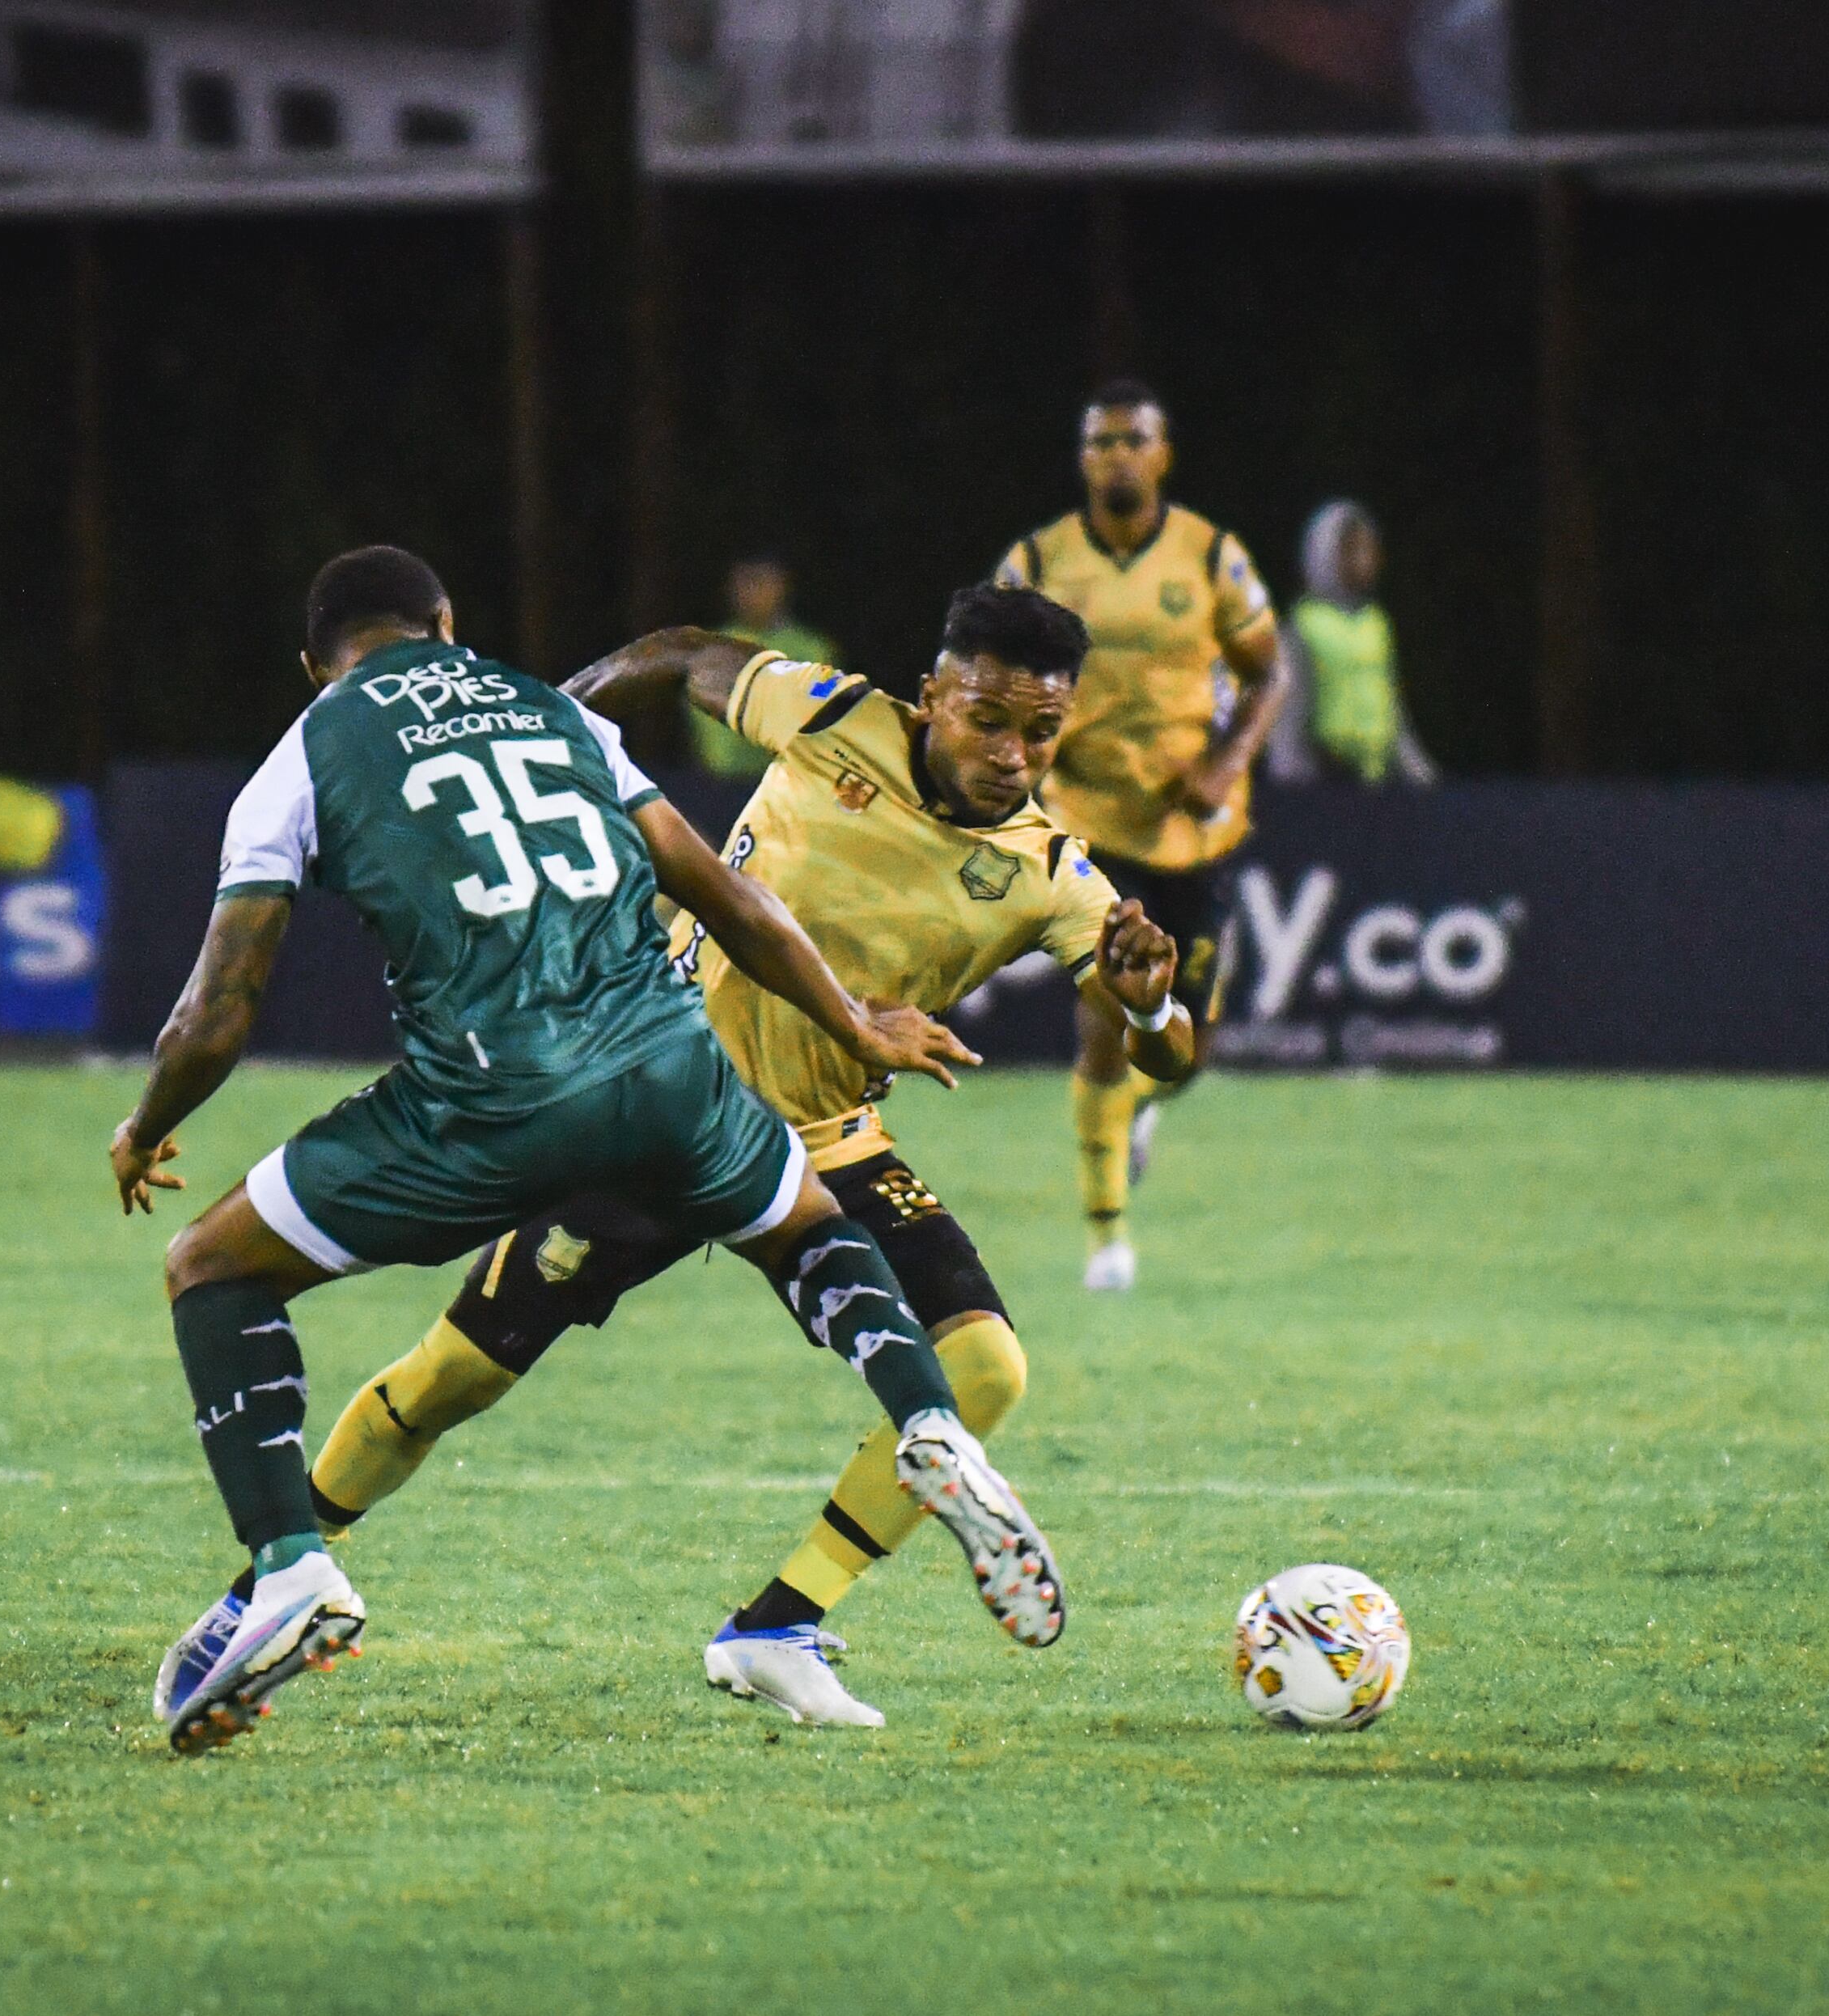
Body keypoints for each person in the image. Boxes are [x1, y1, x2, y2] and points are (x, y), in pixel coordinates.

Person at [116, 544, 1060, 1756]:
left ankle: (289, 1566)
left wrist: (148, 1129)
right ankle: (925, 1417)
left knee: (213, 1264)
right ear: (449, 625)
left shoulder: (306, 747)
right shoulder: (550, 711)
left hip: (494, 1100)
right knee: (813, 1228)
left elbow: (219, 1010)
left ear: (315, 667)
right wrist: (856, 1018)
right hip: (676, 1069)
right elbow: (724, 892)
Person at [277, 583, 1195, 1729]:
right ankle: (281, 1573)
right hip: (655, 1103)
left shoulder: (1051, 870)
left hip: (824, 1140)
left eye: (1041, 732)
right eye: (988, 721)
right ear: (930, 699)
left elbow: (1166, 1052)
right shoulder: (826, 714)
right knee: (451, 1378)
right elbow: (678, 652)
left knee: (986, 1369)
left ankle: (778, 1626)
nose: (1013, 755)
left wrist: (1152, 1008)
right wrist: (549, 732)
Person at [997, 379, 1281, 1292]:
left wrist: (1228, 764)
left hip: (1195, 834)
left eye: (1134, 439)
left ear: (1162, 454)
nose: (1116, 454)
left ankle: (1141, 1110)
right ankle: (1107, 1236)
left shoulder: (1209, 555)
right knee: (1103, 1026)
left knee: (1189, 1047)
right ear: (1082, 457)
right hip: (1089, 826)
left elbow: (1269, 672)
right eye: (1099, 441)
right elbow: (979, 677)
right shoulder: (1038, 561)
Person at [1276, 498, 1436, 788]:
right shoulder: (1305, 624)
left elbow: (1392, 708)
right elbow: (1289, 711)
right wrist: (1289, 777)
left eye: (1370, 550)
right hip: (1324, 777)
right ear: (1328, 554)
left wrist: (1419, 775)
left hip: (1376, 779)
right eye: (1355, 550)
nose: (1367, 560)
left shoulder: (1376, 623)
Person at [691, 556, 839, 778]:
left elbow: (824, 704)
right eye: (743, 583)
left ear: (782, 587)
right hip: (717, 783)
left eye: (760, 582)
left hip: (785, 779)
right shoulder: (711, 646)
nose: (750, 592)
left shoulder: (813, 649)